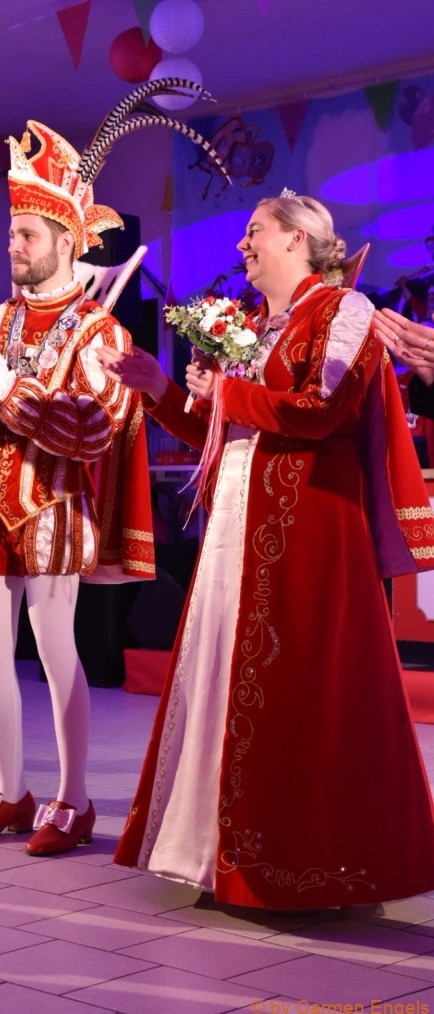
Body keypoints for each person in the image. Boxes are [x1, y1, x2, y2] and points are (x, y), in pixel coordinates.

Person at [99, 190, 434, 910]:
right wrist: (160, 389)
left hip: (307, 526)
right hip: (237, 529)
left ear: (297, 239)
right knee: (227, 675)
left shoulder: (341, 311)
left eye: (255, 231)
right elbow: (224, 431)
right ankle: (218, 853)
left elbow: (322, 411)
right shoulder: (256, 326)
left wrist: (226, 391)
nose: (242, 245)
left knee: (300, 684)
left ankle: (304, 864)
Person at [0, 117, 155, 855]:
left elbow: (93, 430)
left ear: (67, 240)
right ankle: (9, 790)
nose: (14, 245)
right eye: (11, 234)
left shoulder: (100, 332)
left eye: (28, 234)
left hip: (53, 505)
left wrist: (8, 393)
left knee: (56, 652)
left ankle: (75, 799)